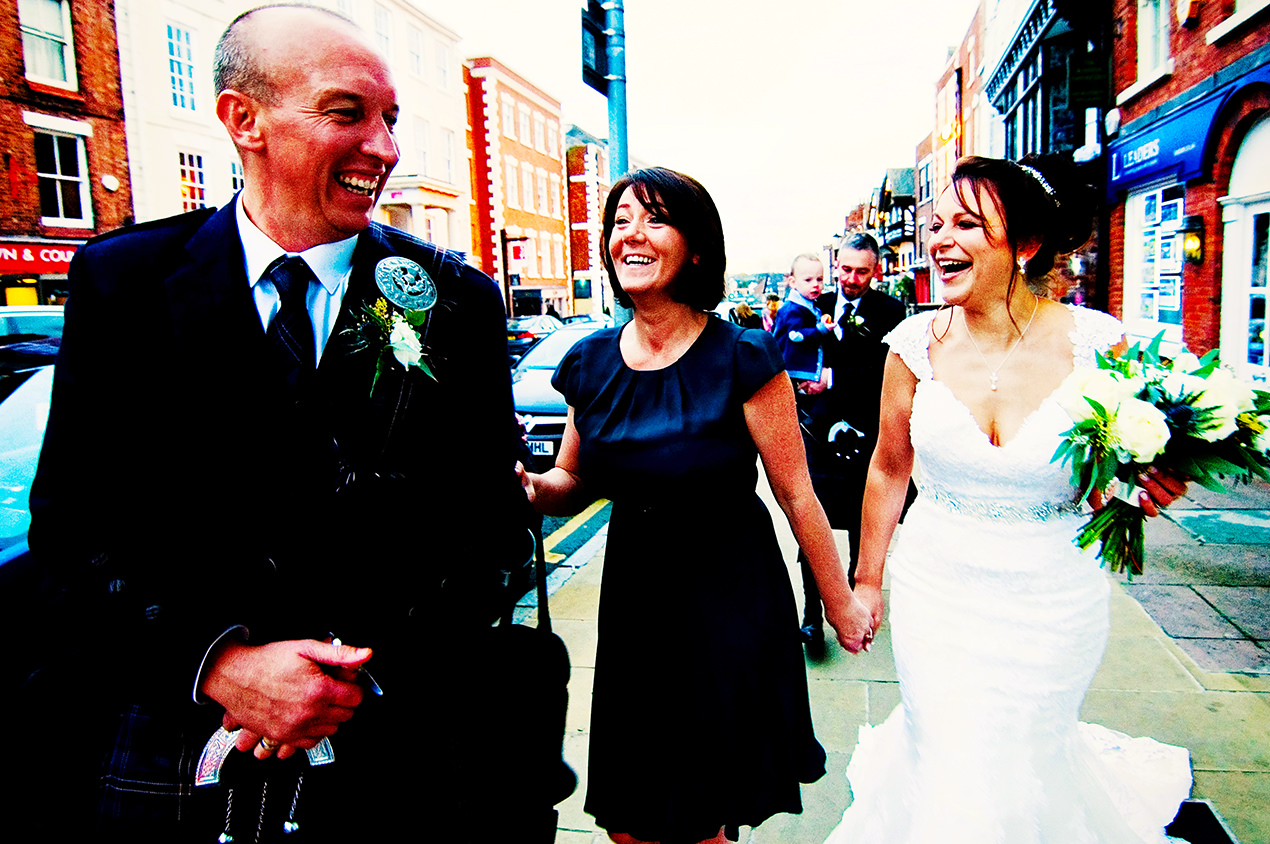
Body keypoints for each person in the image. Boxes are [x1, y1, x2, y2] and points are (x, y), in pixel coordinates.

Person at [20, 6, 536, 841]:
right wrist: (218, 664)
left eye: (390, 120)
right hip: (180, 753)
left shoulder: (453, 301)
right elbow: (75, 532)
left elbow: (493, 530)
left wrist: (337, 677)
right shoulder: (127, 284)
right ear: (242, 119)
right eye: (347, 113)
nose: (384, 147)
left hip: (391, 758)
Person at [825, 154, 1192, 843]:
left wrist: (1149, 489)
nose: (938, 240)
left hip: (1054, 595)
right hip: (939, 588)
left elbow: (1137, 465)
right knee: (949, 758)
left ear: (1024, 245)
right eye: (937, 224)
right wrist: (866, 581)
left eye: (966, 223)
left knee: (1028, 758)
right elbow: (887, 468)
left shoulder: (1101, 346)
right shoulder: (910, 346)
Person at [519, 167, 874, 844]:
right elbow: (573, 478)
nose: (632, 234)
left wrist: (839, 599)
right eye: (620, 221)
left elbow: (797, 491)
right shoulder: (590, 363)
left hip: (728, 600)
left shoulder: (742, 355)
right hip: (635, 604)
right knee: (630, 819)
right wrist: (532, 488)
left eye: (654, 219)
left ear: (697, 248)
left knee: (701, 818)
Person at [791, 234, 909, 654]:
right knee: (812, 530)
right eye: (845, 270)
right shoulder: (813, 304)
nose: (851, 279)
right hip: (818, 439)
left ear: (875, 271)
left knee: (864, 531)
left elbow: (886, 374)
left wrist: (834, 380)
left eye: (862, 272)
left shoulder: (891, 312)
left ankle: (860, 611)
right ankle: (810, 618)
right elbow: (791, 353)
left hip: (865, 440)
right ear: (836, 265)